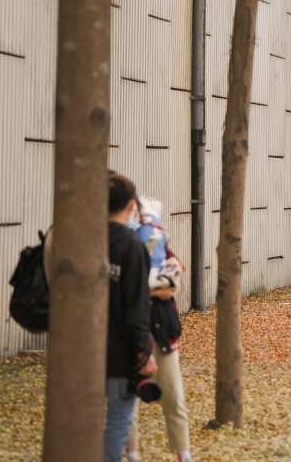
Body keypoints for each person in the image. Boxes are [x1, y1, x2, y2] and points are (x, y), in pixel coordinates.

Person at [125, 199, 193, 462]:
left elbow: (169, 287)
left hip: (162, 332)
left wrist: (142, 288)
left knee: (173, 396)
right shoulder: (121, 244)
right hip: (130, 333)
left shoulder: (157, 241)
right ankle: (131, 454)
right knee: (128, 399)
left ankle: (183, 454)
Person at [104, 173, 155, 462]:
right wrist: (142, 352)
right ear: (131, 205)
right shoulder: (131, 248)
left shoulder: (83, 239)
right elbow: (137, 307)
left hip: (82, 350)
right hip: (121, 353)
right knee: (119, 420)